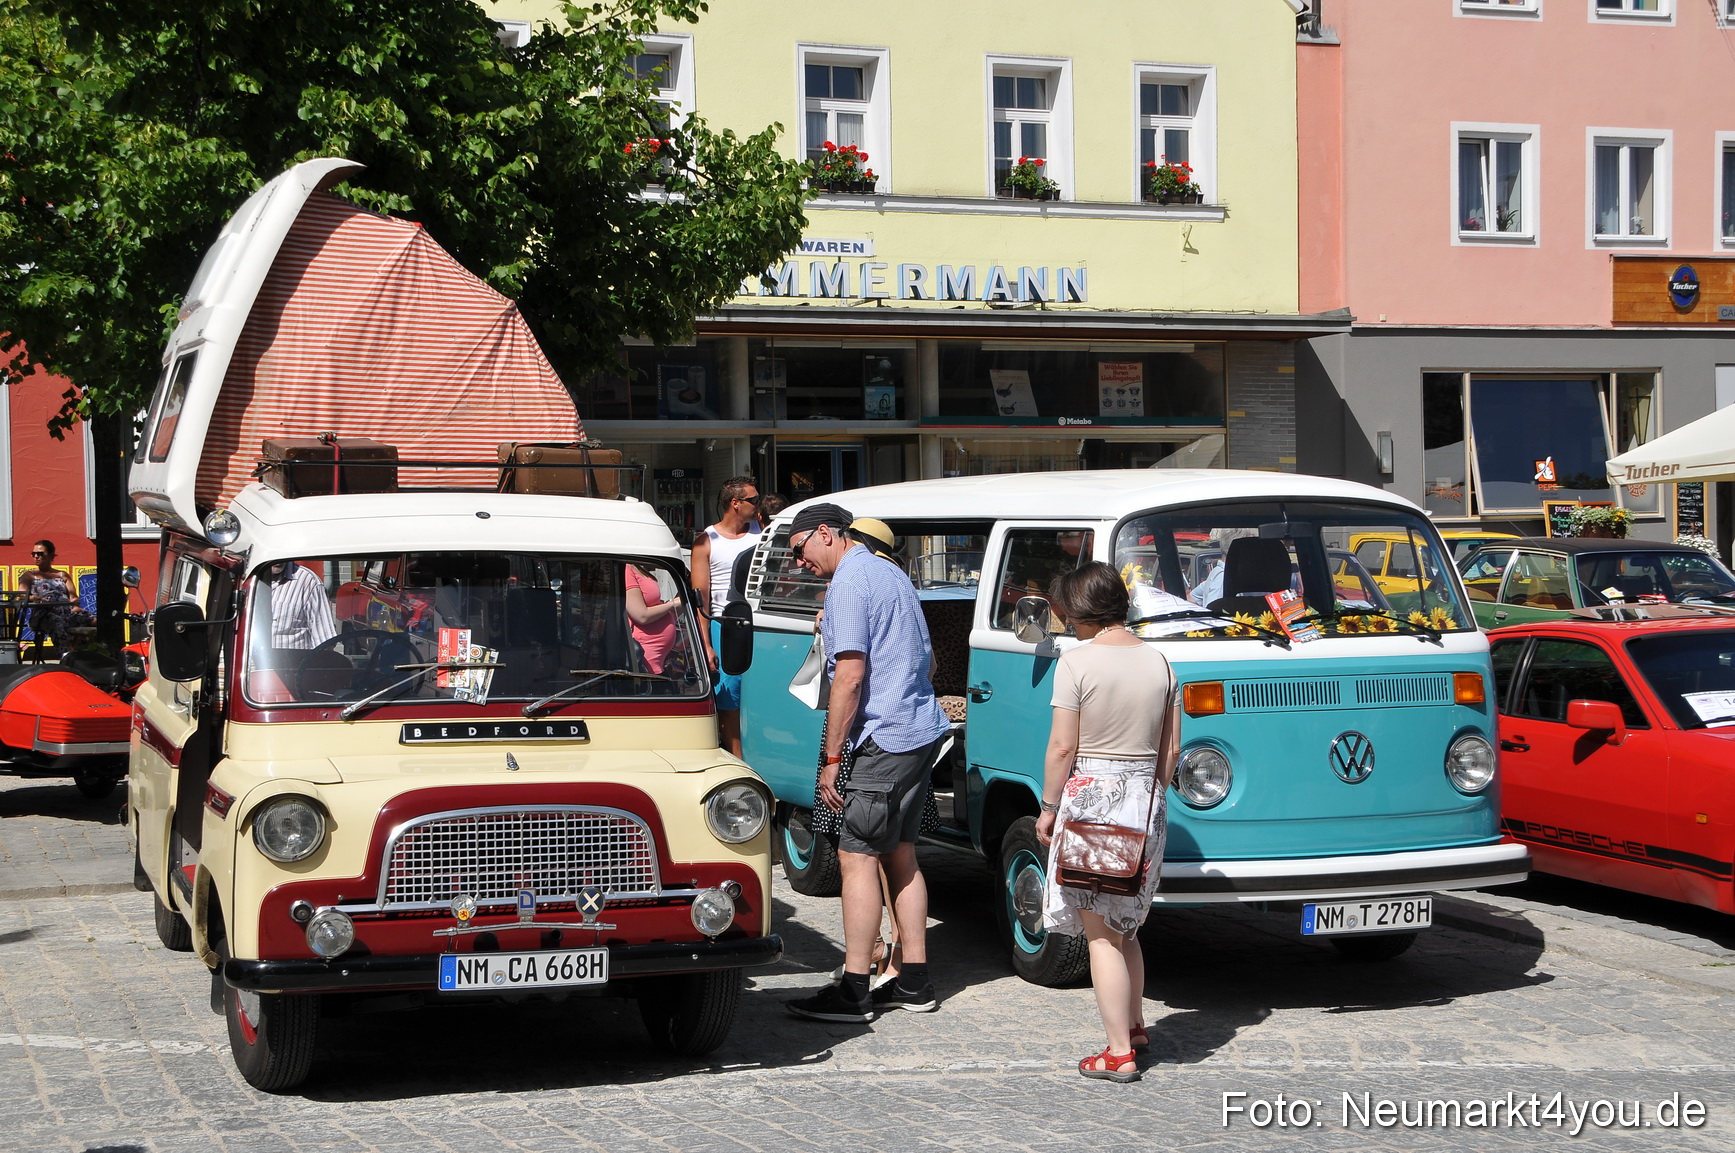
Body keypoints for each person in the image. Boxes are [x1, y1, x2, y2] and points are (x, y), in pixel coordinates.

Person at [785, 503, 950, 1023]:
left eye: (799, 550)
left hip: (883, 737)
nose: (799, 563)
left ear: (825, 534)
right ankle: (914, 981)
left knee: (856, 857)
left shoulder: (851, 581)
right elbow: (928, 659)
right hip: (918, 729)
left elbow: (850, 677)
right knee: (901, 855)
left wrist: (833, 758)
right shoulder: (890, 572)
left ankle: (855, 989)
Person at [1034, 561, 1181, 1084]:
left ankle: (1118, 1051)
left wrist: (1049, 806)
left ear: (1081, 610)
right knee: (1127, 927)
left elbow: (1062, 746)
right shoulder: (1160, 663)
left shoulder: (1077, 663)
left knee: (1099, 936)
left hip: (1095, 801)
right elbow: (1171, 751)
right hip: (1146, 800)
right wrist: (1149, 795)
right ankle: (1135, 1026)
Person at [691, 476, 761, 757]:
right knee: (729, 698)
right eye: (753, 500)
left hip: (760, 626)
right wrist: (706, 645)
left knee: (758, 695)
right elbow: (702, 598)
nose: (758, 504)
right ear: (735, 503)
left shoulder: (763, 533)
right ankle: (738, 759)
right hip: (726, 627)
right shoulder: (706, 541)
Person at [19, 539, 87, 661]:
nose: (36, 556)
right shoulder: (29, 576)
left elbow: (73, 597)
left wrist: (75, 606)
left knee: (91, 619)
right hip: (43, 614)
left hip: (66, 611)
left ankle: (89, 654)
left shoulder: (62, 575)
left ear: (50, 556)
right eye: (33, 554)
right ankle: (66, 658)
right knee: (57, 623)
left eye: (40, 554)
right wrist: (34, 598)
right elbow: (21, 595)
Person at [262, 560, 338, 650]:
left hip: (294, 659)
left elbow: (325, 642)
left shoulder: (308, 582)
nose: (278, 560)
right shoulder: (248, 579)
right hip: (253, 658)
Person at [625, 564, 682, 674]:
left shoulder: (637, 567)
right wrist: (672, 604)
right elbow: (641, 616)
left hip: (657, 661)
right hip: (644, 656)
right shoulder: (627, 569)